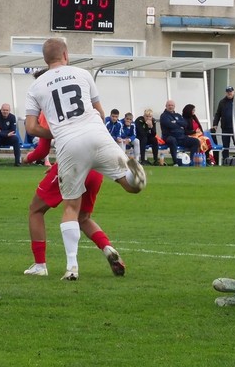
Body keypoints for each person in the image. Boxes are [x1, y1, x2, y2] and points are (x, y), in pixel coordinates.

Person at [23, 38, 145, 281]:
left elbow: (32, 128)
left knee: (70, 207)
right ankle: (135, 175)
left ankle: (71, 267)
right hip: (98, 136)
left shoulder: (36, 87)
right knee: (130, 187)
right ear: (66, 55)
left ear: (46, 60)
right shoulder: (82, 73)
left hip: (70, 145)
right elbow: (100, 113)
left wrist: (56, 132)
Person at [21, 110, 125, 277]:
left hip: (72, 165)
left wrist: (27, 158)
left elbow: (42, 150)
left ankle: (41, 265)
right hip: (95, 167)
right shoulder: (84, 103)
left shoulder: (49, 105)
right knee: (83, 218)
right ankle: (107, 248)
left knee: (36, 210)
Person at [212, 86, 235, 163]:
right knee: (225, 143)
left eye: (231, 91)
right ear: (226, 92)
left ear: (233, 92)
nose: (229, 93)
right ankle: (225, 159)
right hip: (225, 126)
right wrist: (215, 124)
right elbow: (218, 114)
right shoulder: (222, 102)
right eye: (228, 92)